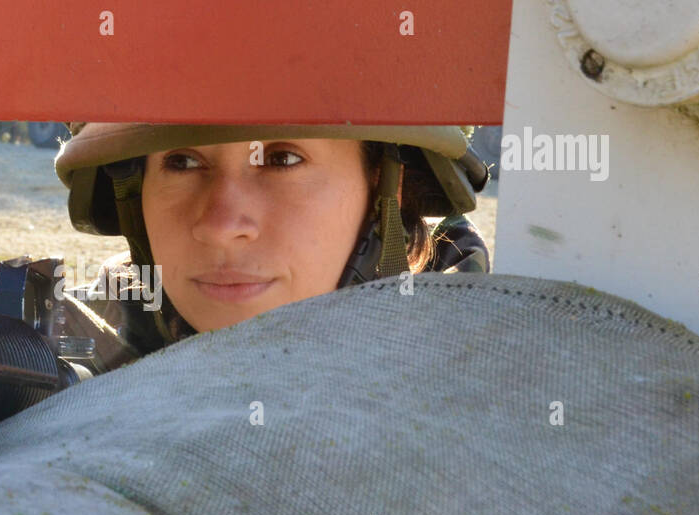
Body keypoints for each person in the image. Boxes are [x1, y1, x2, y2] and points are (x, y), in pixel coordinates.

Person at [53, 123, 491, 367]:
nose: (222, 225)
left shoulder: (485, 377)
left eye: (282, 159)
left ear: (385, 193)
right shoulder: (64, 360)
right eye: (182, 162)